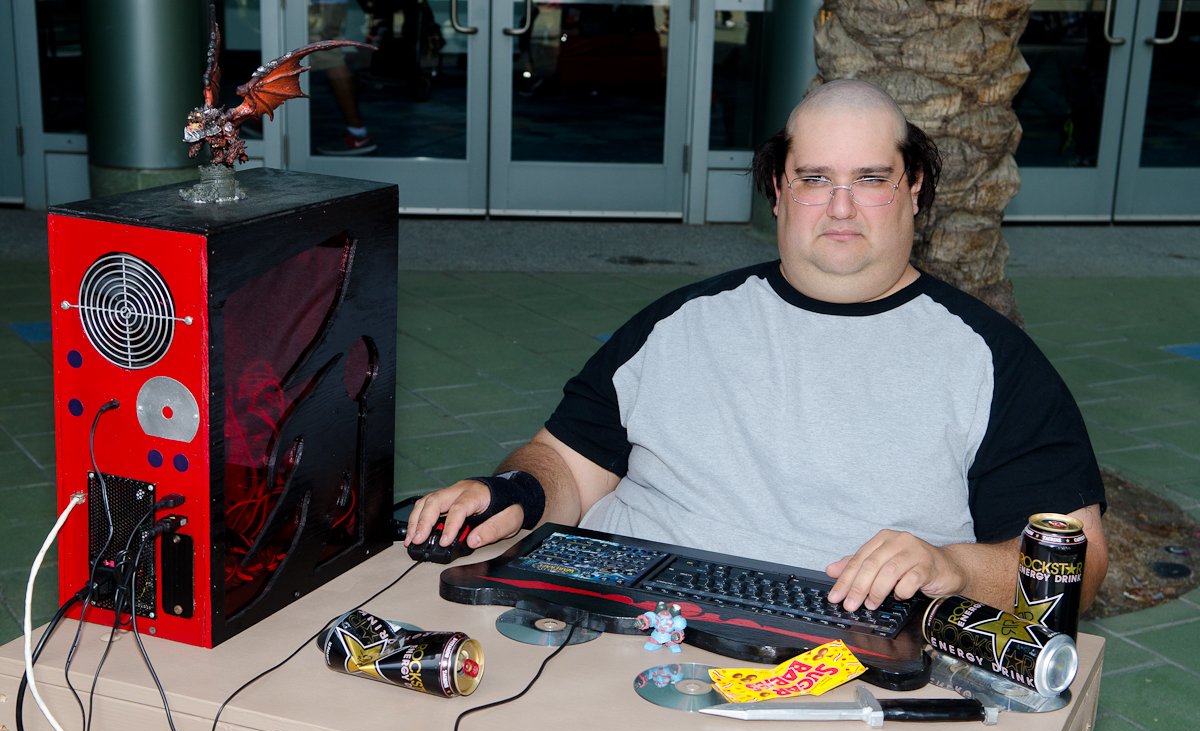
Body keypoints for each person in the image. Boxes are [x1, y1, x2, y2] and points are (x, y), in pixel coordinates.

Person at [405, 79, 1109, 615]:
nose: (840, 206)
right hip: (621, 616)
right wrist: (514, 491)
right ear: (778, 189)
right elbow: (562, 462)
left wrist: (951, 568)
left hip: (839, 651)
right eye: (815, 179)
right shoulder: (680, 324)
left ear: (915, 189)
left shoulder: (991, 362)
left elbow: (1077, 569)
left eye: (870, 180)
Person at [309, 0, 377, 155]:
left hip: (321, 6)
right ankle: (269, 123)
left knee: (328, 55)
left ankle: (358, 133)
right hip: (321, 5)